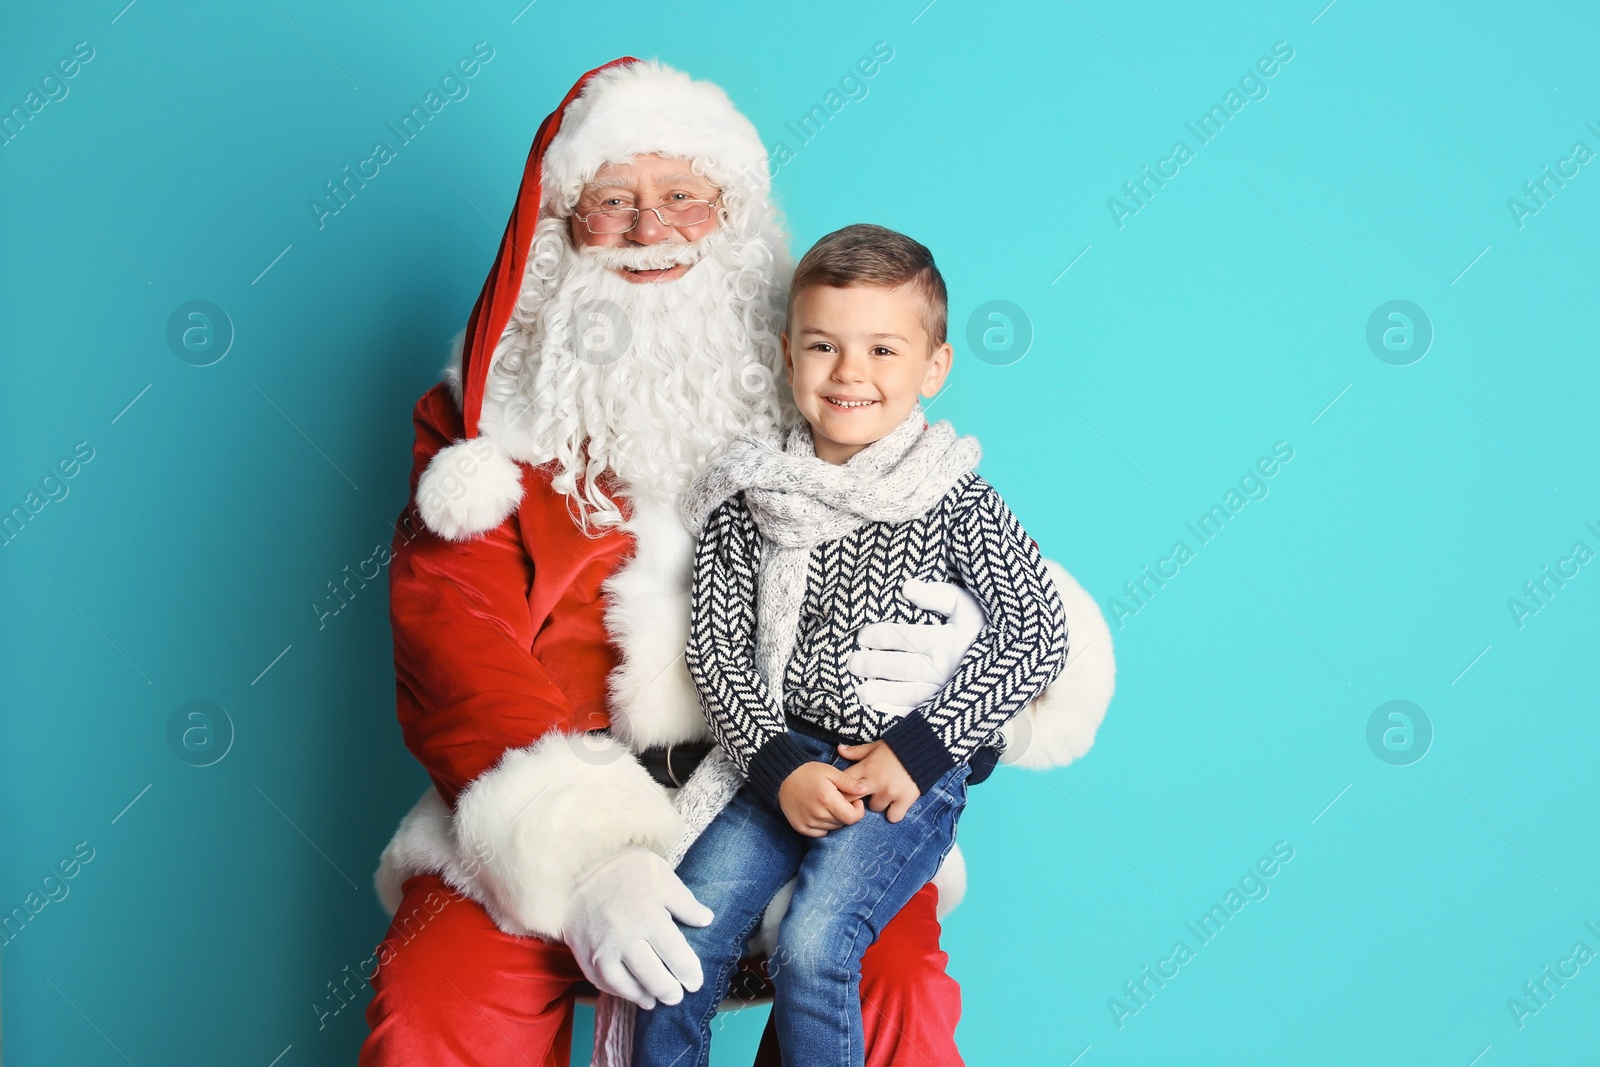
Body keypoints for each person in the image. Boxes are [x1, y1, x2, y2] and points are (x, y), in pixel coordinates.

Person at [361, 57, 1116, 1067]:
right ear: (557, 232)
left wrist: (953, 664)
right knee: (435, 1000)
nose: (649, 228)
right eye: (611, 202)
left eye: (682, 196)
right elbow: (453, 649)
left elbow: (1012, 603)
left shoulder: (823, 391)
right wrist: (585, 860)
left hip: (807, 781)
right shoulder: (483, 432)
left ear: (732, 216)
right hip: (556, 792)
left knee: (890, 988)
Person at [631, 224, 1069, 1067]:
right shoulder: (748, 496)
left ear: (933, 367)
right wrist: (778, 766)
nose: (850, 373)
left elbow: (1033, 631)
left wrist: (919, 747)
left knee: (816, 946)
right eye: (825, 345)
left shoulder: (953, 497)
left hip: (898, 776)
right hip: (777, 761)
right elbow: (718, 649)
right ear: (789, 352)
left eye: (882, 348)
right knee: (679, 941)